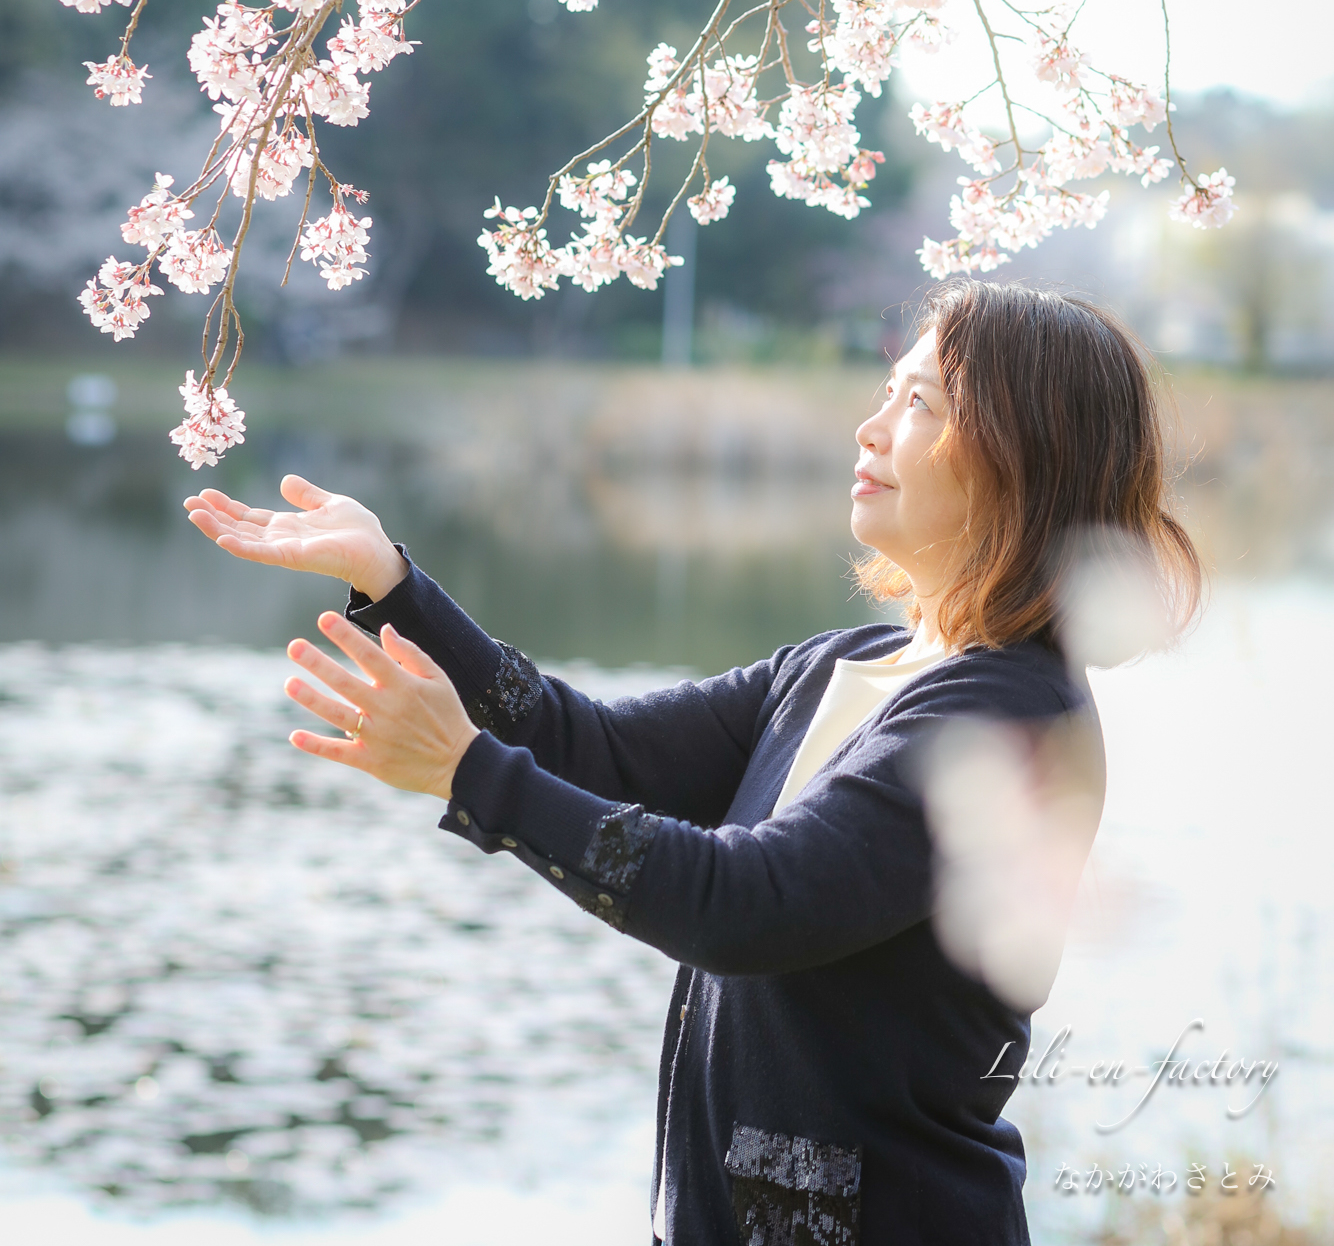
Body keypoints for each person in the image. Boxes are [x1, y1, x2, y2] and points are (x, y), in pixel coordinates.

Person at [184, 279, 1201, 1245]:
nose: (870, 427)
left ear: (1020, 454)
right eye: (884, 391)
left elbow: (745, 905)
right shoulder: (843, 664)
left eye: (921, 404)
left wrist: (468, 770)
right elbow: (594, 747)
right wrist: (394, 582)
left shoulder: (1011, 716)